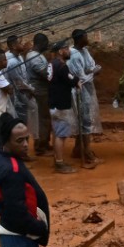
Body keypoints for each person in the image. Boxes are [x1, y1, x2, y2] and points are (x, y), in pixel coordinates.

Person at [47, 37, 80, 174]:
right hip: (61, 105)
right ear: (60, 51)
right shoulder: (61, 66)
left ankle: (57, 159)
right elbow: (71, 80)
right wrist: (77, 81)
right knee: (61, 135)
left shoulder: (52, 64)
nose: (69, 51)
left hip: (53, 103)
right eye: (66, 49)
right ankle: (60, 164)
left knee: (57, 133)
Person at [69, 29, 102, 149]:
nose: (88, 39)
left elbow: (90, 66)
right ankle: (86, 151)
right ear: (79, 39)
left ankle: (79, 148)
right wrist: (94, 73)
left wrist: (94, 70)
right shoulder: (73, 55)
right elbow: (81, 78)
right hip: (79, 90)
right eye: (85, 37)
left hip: (87, 89)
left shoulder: (84, 51)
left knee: (84, 118)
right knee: (84, 120)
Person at [5, 35, 39, 141]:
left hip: (23, 95)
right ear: (14, 46)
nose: (23, 44)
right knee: (20, 123)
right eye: (20, 42)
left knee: (25, 121)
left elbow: (23, 77)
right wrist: (31, 90)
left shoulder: (19, 57)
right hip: (17, 98)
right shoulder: (12, 62)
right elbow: (18, 83)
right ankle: (21, 151)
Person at [24, 33, 53, 155]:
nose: (47, 45)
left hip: (42, 90)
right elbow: (46, 74)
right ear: (40, 43)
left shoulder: (37, 55)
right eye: (46, 43)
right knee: (43, 118)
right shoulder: (34, 57)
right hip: (39, 91)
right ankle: (41, 147)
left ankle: (45, 143)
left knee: (45, 118)